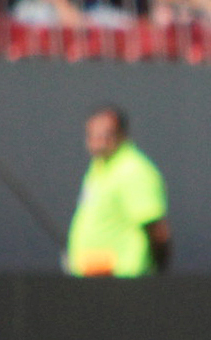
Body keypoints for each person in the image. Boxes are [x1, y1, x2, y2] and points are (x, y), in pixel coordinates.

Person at [67, 106, 172, 277]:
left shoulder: (133, 170)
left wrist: (157, 278)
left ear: (122, 135)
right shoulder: (99, 167)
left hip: (123, 280)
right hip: (92, 276)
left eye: (106, 134)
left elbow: (157, 232)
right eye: (93, 135)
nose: (98, 141)